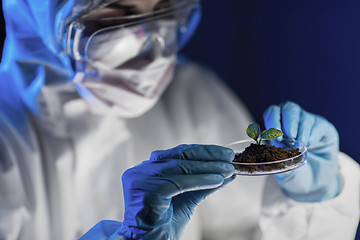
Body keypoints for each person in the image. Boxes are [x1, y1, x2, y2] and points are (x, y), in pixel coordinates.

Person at [0, 0, 359, 239]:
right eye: (113, 17)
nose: (153, 50)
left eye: (164, 9)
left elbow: (247, 231)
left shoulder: (192, 93)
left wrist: (311, 203)